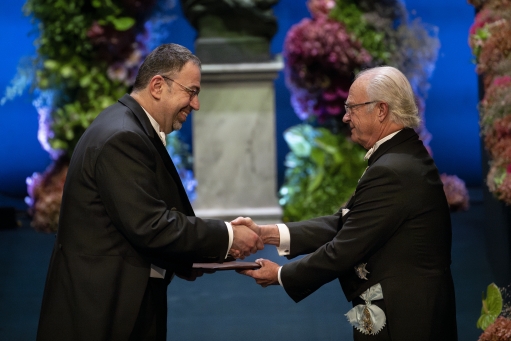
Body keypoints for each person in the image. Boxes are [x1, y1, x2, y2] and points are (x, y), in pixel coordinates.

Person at [36, 43, 263, 341]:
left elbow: (136, 226)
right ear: (158, 86)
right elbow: (151, 226)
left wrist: (192, 257)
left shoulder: (129, 127)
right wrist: (229, 236)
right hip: (102, 313)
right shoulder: (123, 137)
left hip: (118, 303)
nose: (195, 105)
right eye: (191, 92)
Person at [235, 66, 458, 340]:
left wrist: (282, 275)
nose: (344, 117)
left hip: (404, 318)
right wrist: (267, 234)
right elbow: (344, 221)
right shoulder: (400, 155)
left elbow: (345, 247)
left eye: (351, 108)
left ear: (381, 110)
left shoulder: (393, 169)